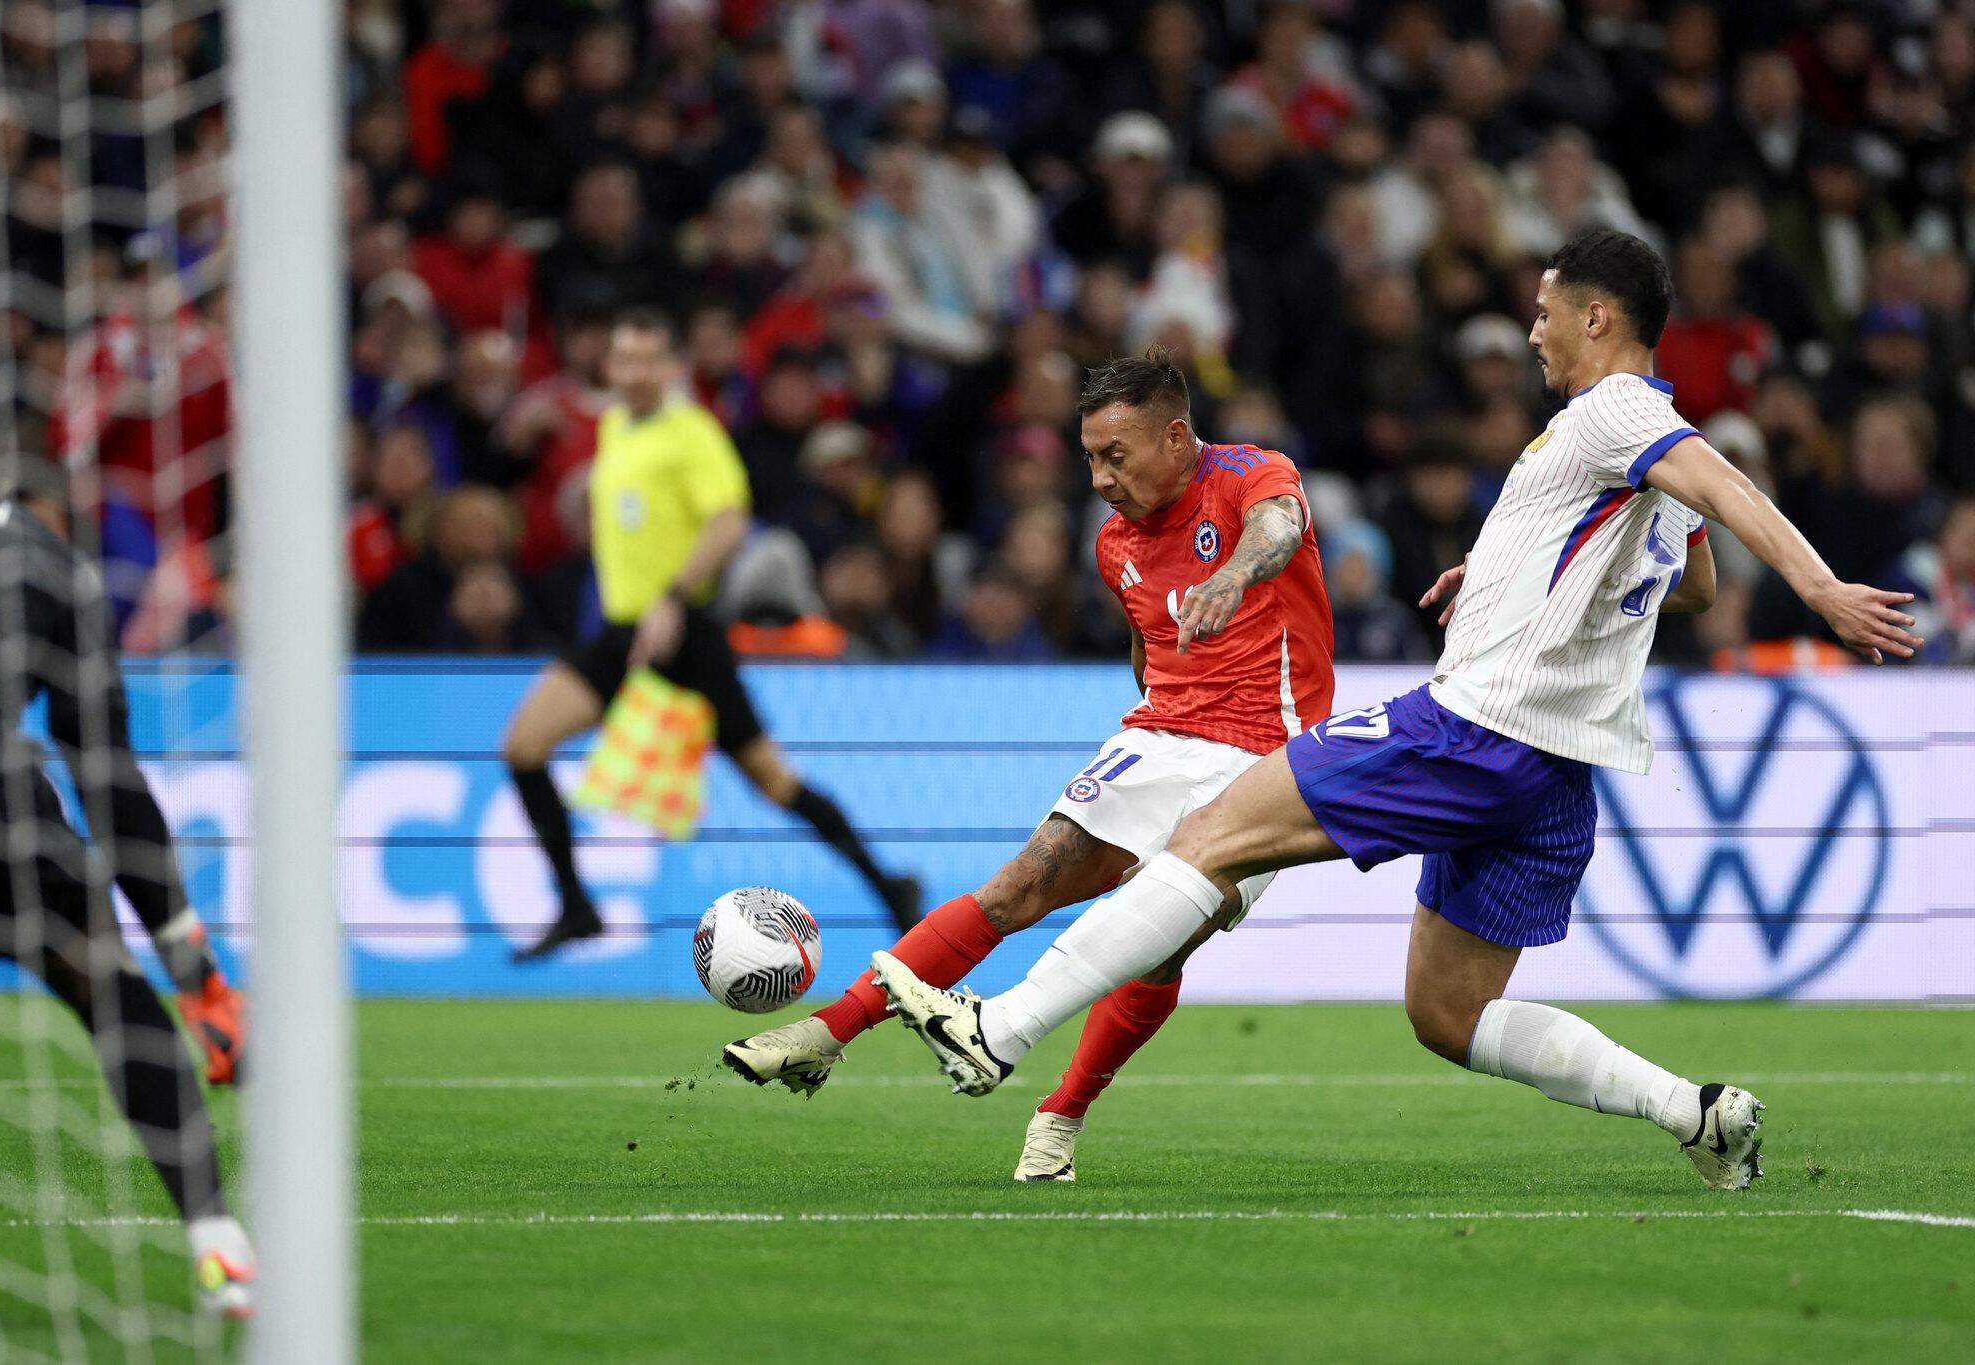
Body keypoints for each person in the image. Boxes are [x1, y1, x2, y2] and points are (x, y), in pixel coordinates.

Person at [873, 230, 1923, 1193]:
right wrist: (1512, 563)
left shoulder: (1615, 410)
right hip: (1554, 779)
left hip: (1472, 729)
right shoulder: (1626, 462)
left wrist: (1818, 588)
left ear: (1596, 319)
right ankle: (1692, 1114)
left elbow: (1720, 482)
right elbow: (1684, 586)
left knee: (1209, 835)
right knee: (1445, 1014)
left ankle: (999, 1029)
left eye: (1546, 311)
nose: (1532, 331)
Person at [724, 350, 1333, 1183]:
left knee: (1157, 951)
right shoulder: (1114, 542)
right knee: (1018, 884)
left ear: (1177, 436)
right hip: (1162, 734)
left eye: (1115, 455)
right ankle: (824, 1034)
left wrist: (1230, 575)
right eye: (1088, 457)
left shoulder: (1251, 475)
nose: (1099, 479)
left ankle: (1060, 1117)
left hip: (1271, 756)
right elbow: (1144, 645)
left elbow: (1281, 529)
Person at [0, 456, 254, 1315]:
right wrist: (196, 972)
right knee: (106, 980)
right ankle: (219, 1241)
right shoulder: (43, 554)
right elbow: (107, 781)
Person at [503, 308, 920, 961]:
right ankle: (577, 905)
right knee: (523, 745)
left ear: (670, 367)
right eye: (624, 360)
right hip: (621, 634)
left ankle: (892, 889)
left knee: (774, 781)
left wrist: (672, 596)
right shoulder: (614, 425)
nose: (635, 373)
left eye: (648, 360)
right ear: (609, 368)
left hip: (681, 635)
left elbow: (728, 521)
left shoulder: (692, 432)